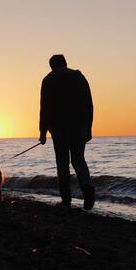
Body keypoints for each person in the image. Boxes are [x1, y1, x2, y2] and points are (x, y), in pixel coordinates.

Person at [39, 54, 95, 210]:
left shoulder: (49, 80)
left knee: (62, 164)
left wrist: (42, 132)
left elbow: (44, 107)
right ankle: (87, 187)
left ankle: (66, 199)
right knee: (78, 160)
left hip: (59, 128)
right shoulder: (79, 77)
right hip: (79, 127)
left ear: (51, 66)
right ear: (65, 63)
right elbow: (89, 104)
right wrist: (89, 127)